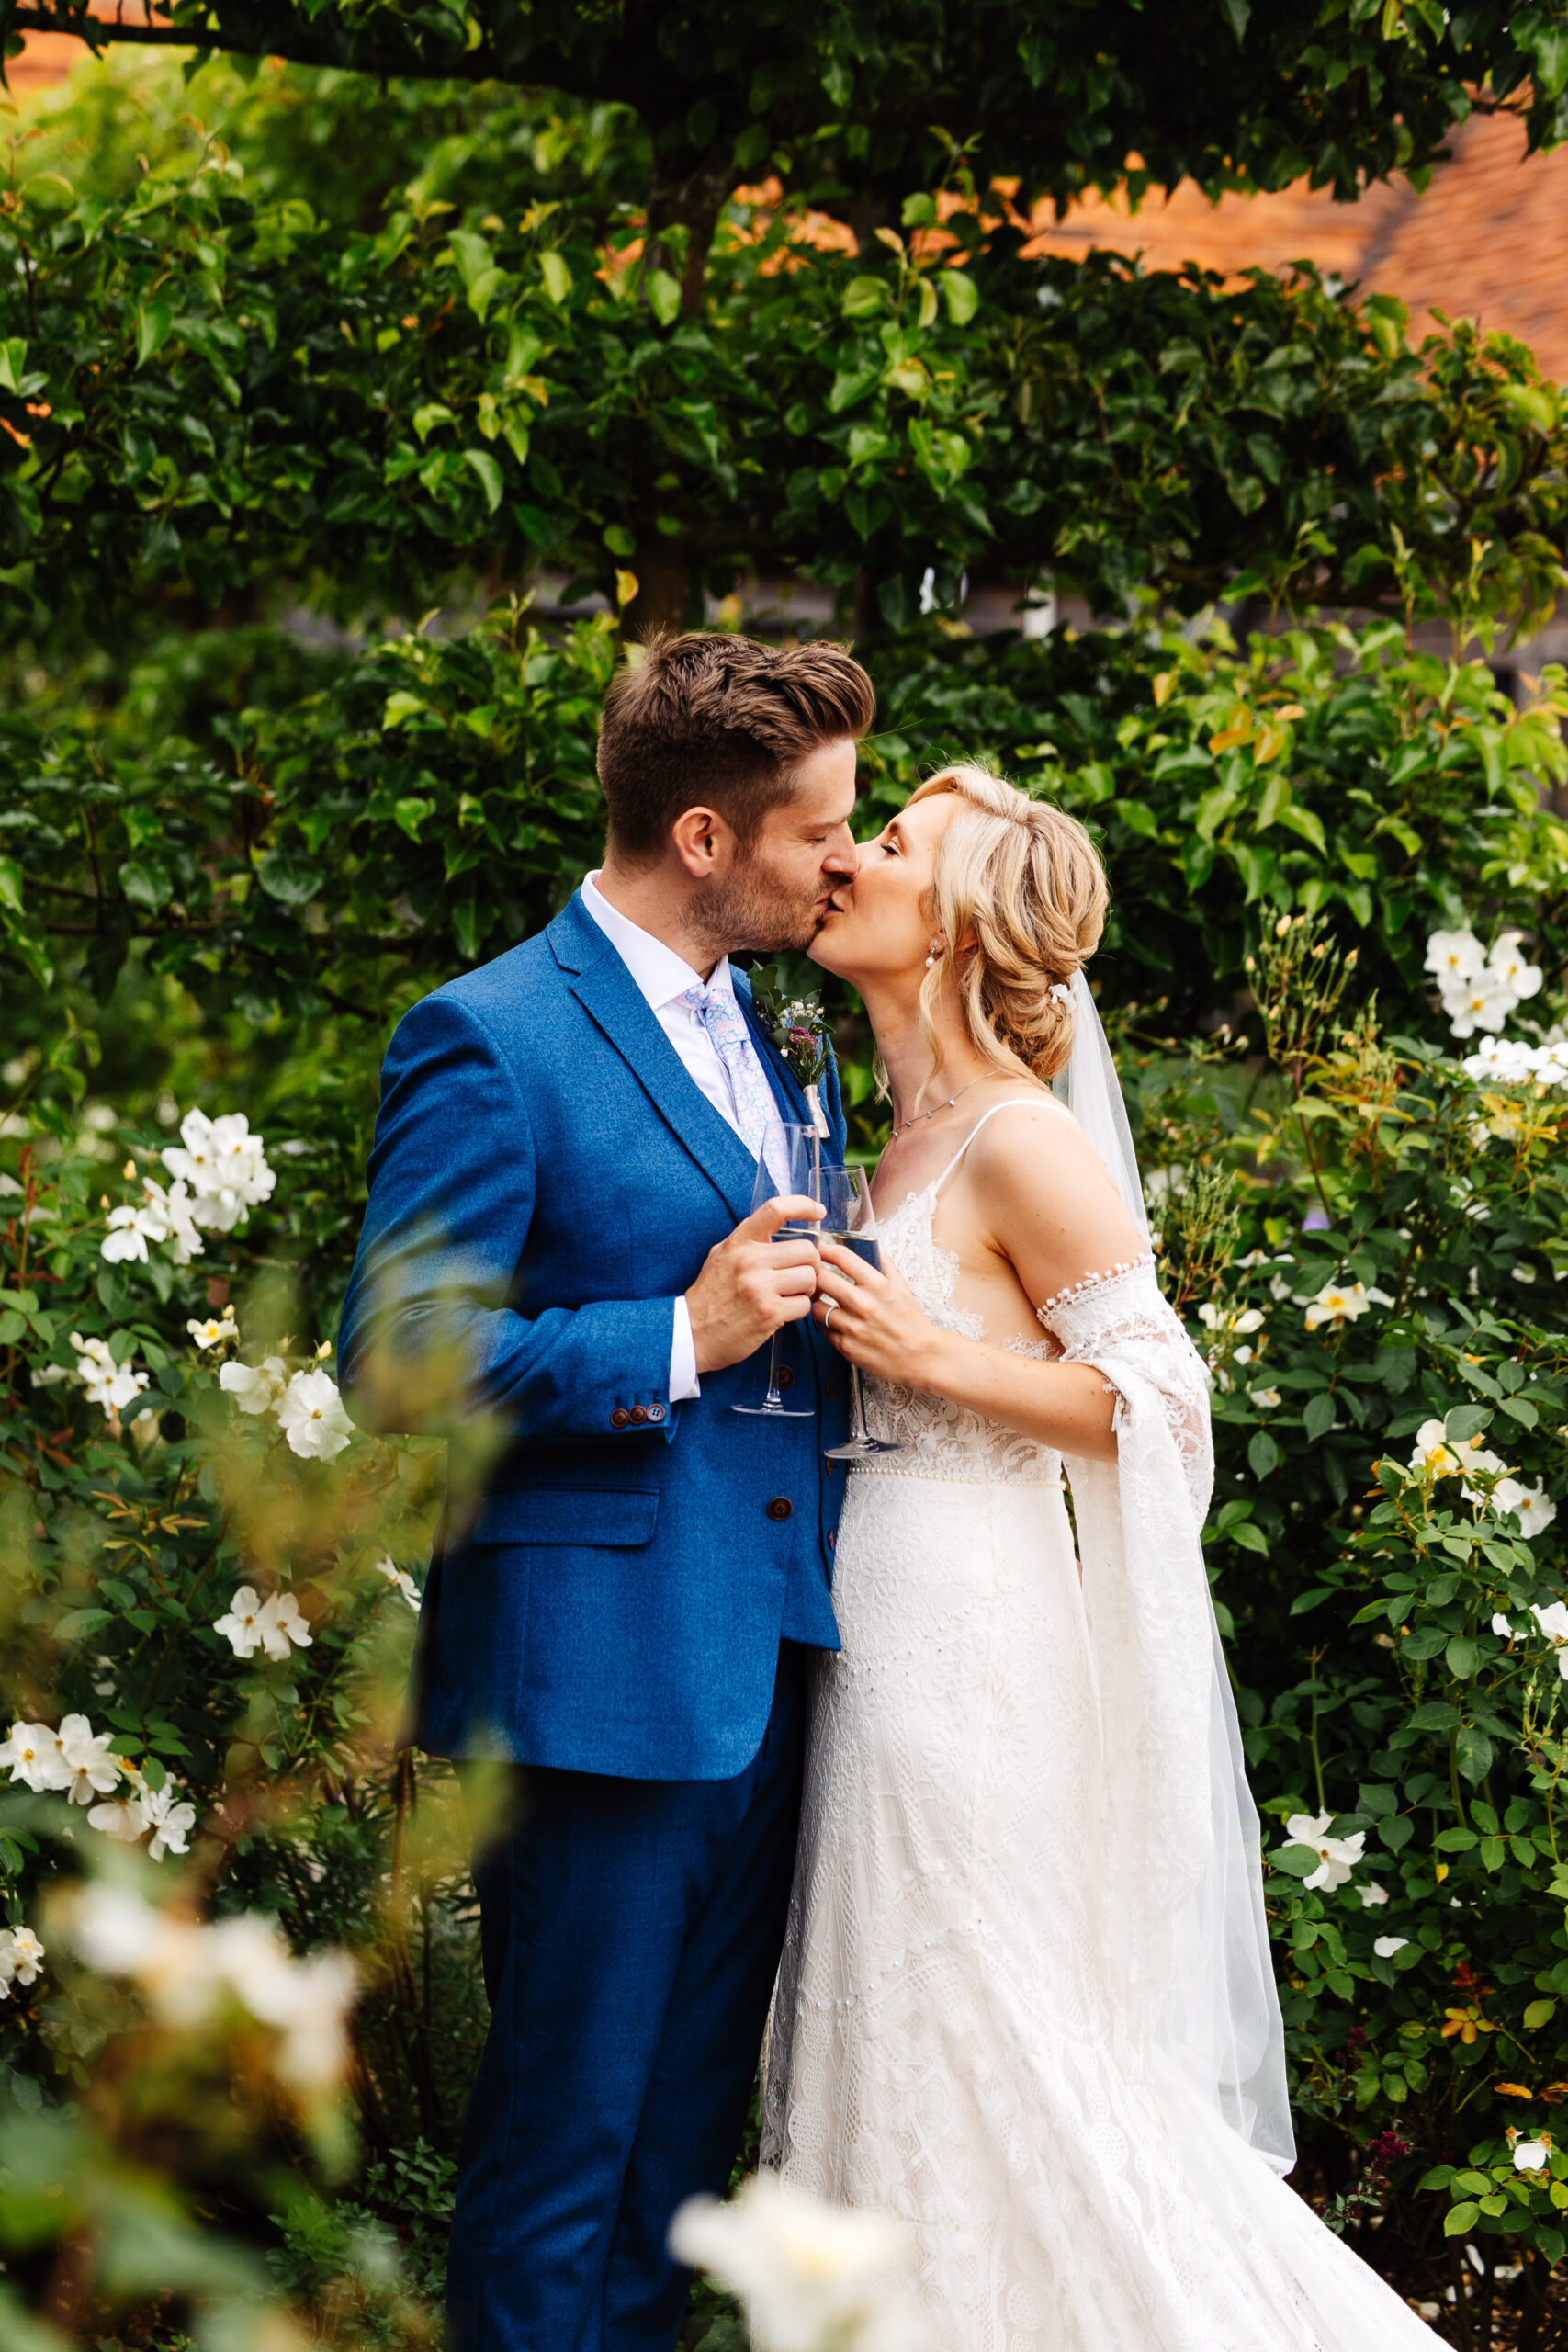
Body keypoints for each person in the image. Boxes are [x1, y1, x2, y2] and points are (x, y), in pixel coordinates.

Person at [761, 764, 1441, 2348]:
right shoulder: (880, 1138)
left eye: (892, 844)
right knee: (903, 2035)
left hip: (980, 1653)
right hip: (873, 1630)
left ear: (954, 925)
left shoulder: (1020, 1143)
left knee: (997, 2033)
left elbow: (1165, 1409)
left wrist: (931, 1357)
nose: (852, 860)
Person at [338, 632, 875, 2352]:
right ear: (707, 838)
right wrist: (672, 1331)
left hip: (775, 1669)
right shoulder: (490, 1036)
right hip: (592, 1684)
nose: (845, 862)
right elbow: (397, 1359)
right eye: (817, 833)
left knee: (672, 2178)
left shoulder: (785, 1037)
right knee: (559, 2160)